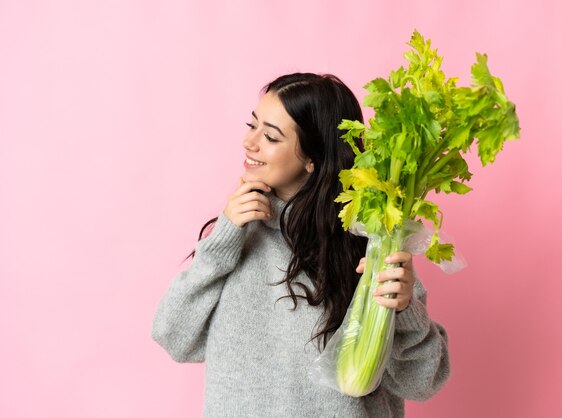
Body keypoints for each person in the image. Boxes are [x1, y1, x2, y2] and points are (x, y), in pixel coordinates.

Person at [151, 73, 450, 417]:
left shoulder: (372, 247)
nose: (250, 143)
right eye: (252, 126)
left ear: (313, 158)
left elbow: (422, 384)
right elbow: (173, 337)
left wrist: (404, 309)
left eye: (271, 136)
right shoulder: (235, 237)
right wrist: (223, 240)